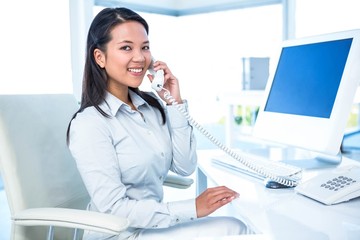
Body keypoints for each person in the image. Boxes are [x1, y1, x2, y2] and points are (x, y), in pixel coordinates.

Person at [67, 7, 251, 240]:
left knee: (237, 225)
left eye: (145, 47)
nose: (140, 57)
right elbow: (114, 209)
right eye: (126, 48)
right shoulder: (90, 124)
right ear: (99, 57)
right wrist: (192, 208)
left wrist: (175, 104)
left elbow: (185, 166)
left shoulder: (151, 105)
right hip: (120, 235)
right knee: (235, 229)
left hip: (152, 227)